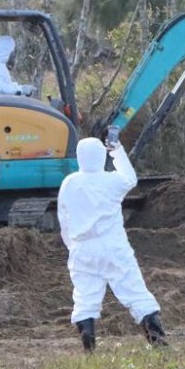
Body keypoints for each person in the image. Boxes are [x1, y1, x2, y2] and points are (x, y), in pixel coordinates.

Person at [57, 135, 165, 352]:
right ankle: (159, 344)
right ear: (101, 156)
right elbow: (130, 179)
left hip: (81, 248)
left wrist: (72, 246)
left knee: (85, 298)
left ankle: (89, 351)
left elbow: (64, 218)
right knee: (135, 292)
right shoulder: (111, 181)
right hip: (112, 245)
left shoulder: (69, 183)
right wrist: (117, 150)